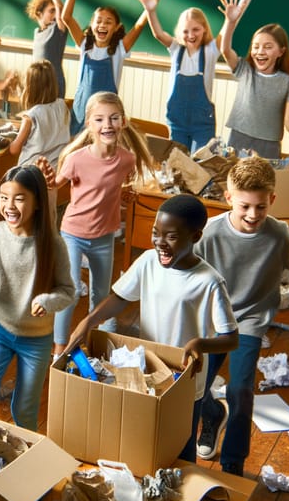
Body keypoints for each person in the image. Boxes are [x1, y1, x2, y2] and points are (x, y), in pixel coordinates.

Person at [66, 193, 239, 462]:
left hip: (184, 378)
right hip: (149, 370)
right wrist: (89, 321)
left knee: (181, 446)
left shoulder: (209, 281)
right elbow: (119, 298)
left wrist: (200, 344)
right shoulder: (148, 261)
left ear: (195, 236)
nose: (160, 243)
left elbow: (231, 338)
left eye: (171, 236)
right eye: (156, 233)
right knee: (147, 437)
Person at [195, 157, 289, 476]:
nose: (253, 215)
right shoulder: (210, 233)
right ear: (228, 198)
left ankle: (233, 463)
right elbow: (188, 271)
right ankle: (212, 415)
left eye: (260, 207)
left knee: (241, 390)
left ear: (272, 200)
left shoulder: (280, 234)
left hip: (251, 320)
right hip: (212, 319)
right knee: (194, 388)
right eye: (244, 206)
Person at [0, 165, 74, 430]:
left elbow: (67, 291)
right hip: (0, 329)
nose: (9, 205)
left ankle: (23, 462)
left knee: (25, 410)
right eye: (4, 197)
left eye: (19, 198)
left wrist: (47, 301)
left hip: (37, 340)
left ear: (38, 203)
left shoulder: (53, 244)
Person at [134, 0, 274, 151]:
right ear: (179, 32)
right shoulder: (175, 49)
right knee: (178, 164)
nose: (190, 35)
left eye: (196, 30)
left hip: (202, 124)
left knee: (203, 162)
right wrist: (150, 10)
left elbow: (234, 17)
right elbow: (158, 33)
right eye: (185, 31)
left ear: (205, 29)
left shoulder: (211, 50)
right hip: (177, 122)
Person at [50, 92, 153, 356]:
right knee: (70, 292)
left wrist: (124, 195)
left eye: (113, 118)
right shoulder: (76, 159)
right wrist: (46, 176)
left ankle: (100, 345)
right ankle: (60, 347)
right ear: (89, 125)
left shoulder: (126, 160)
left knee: (102, 296)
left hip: (105, 236)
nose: (107, 124)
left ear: (123, 122)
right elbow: (54, 185)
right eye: (99, 119)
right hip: (72, 232)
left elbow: (114, 186)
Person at [62, 0, 168, 135]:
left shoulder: (119, 50)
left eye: (108, 22)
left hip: (107, 116)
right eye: (98, 21)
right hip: (82, 112)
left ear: (117, 27)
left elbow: (139, 26)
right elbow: (66, 18)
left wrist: (151, 6)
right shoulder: (85, 45)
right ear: (91, 24)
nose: (102, 25)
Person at [218, 0, 289, 159]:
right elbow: (225, 50)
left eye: (268, 47)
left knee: (262, 184)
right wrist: (230, 22)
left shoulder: (287, 81)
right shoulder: (245, 70)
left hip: (269, 146)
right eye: (256, 46)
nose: (260, 52)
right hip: (238, 138)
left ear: (281, 52)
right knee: (235, 182)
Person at [8, 60, 70, 171]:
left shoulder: (30, 117)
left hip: (31, 171)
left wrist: (7, 140)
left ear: (29, 88)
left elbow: (14, 150)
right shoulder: (62, 105)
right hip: (54, 170)